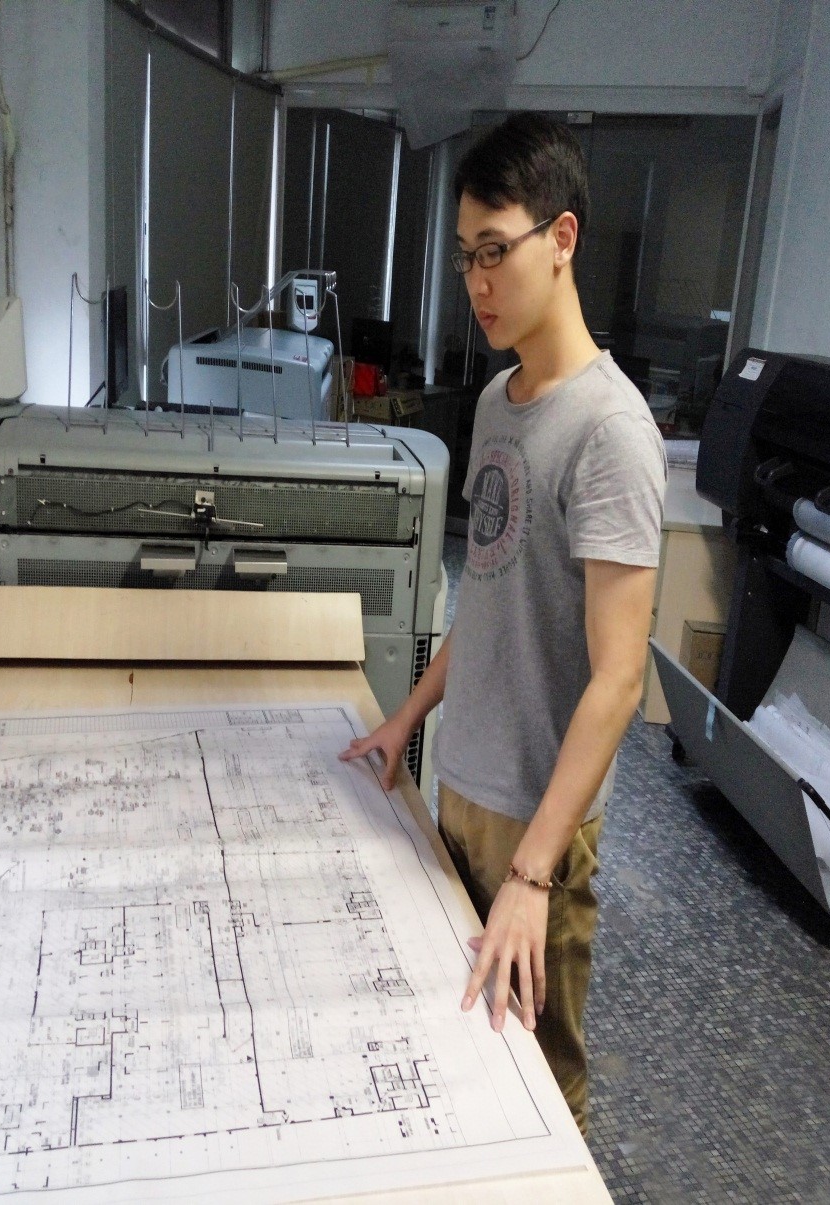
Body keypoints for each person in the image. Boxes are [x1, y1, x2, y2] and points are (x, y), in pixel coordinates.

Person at [339, 113, 666, 1135]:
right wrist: (406, 720)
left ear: (560, 238)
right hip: (463, 791)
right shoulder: (495, 401)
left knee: (540, 1086)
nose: (476, 283)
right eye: (464, 257)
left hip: (539, 825)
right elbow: (484, 597)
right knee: (461, 1053)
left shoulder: (610, 433)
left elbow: (618, 677)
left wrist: (533, 870)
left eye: (494, 251)